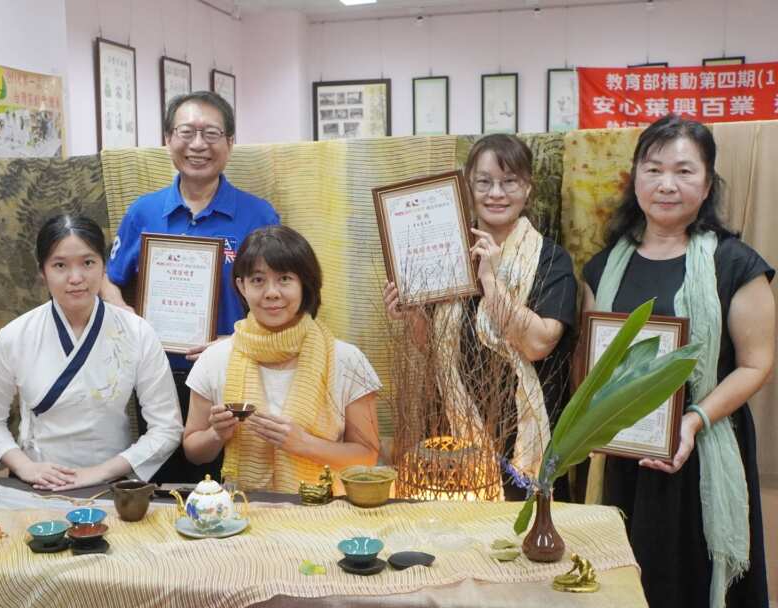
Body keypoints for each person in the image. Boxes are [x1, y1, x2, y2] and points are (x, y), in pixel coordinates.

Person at [580, 115, 774, 608]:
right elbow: (592, 365)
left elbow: (757, 364)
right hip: (623, 455)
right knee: (629, 587)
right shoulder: (604, 265)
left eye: (684, 171)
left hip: (701, 453)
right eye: (654, 169)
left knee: (693, 589)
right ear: (635, 177)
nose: (667, 184)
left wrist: (692, 420)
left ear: (708, 184)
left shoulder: (735, 264)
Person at [383, 134, 577, 500]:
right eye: (484, 182)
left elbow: (538, 344)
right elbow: (431, 348)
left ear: (528, 189)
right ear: (467, 187)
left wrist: (490, 278)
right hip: (453, 426)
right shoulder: (447, 252)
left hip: (524, 433)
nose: (496, 193)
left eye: (509, 182)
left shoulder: (551, 259)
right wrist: (410, 313)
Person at [101, 91, 279, 484]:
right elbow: (110, 279)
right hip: (157, 378)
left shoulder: (258, 214)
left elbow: (282, 299)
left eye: (211, 133)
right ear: (168, 139)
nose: (198, 144)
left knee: (230, 488)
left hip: (231, 376)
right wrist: (127, 315)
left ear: (230, 143)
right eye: (186, 132)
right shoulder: (143, 212)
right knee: (162, 489)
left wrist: (235, 341)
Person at [0, 215, 181, 490]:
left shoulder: (137, 332)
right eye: (60, 265)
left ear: (104, 266)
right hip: (38, 480)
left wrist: (101, 472)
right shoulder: (14, 336)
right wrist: (25, 467)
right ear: (42, 272)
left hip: (113, 481)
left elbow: (167, 427)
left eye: (88, 263)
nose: (76, 278)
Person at [183, 225, 381, 493]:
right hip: (242, 510)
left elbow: (367, 456)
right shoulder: (215, 360)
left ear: (304, 284)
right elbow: (194, 452)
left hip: (326, 509)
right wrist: (216, 434)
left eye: (285, 279)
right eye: (258, 280)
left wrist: (304, 444)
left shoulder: (347, 360)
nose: (272, 292)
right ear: (241, 286)